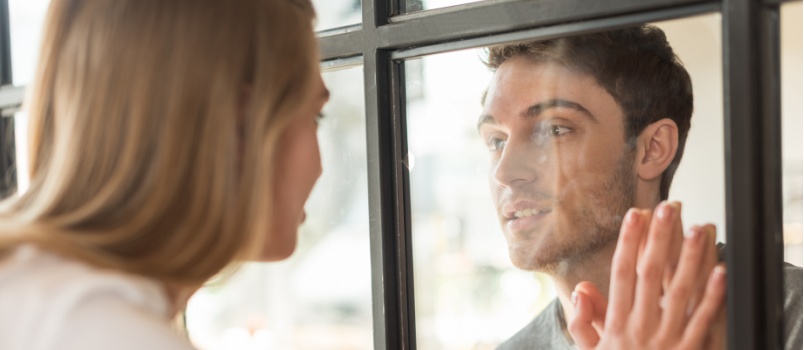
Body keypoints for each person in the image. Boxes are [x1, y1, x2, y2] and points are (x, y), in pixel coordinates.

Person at [0, 0, 329, 349]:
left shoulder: (28, 283)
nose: (320, 166)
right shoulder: (113, 333)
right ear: (240, 127)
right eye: (315, 117)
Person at [477, 25, 803, 349]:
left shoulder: (790, 315)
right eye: (496, 140)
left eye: (554, 130)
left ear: (652, 149)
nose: (504, 172)